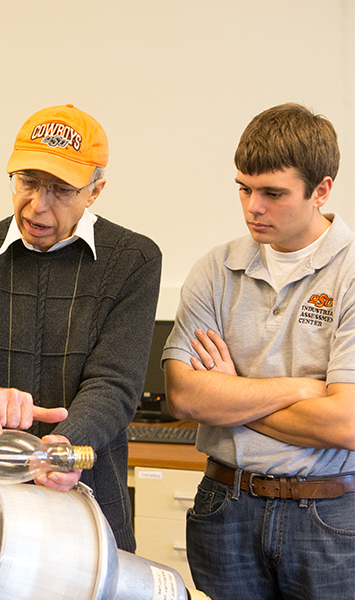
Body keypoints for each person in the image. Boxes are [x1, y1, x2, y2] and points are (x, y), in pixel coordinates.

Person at [0, 104, 162, 551]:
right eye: (27, 182)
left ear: (95, 191)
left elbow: (114, 386)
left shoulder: (134, 260)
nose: (36, 205)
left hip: (85, 503)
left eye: (60, 189)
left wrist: (63, 447)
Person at [163, 103, 355, 599]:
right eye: (244, 189)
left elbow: (345, 424)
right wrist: (301, 390)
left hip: (329, 517)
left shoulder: (351, 273)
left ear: (322, 190)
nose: (253, 207)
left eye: (273, 193)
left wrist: (231, 396)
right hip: (225, 504)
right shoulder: (215, 269)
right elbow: (184, 398)